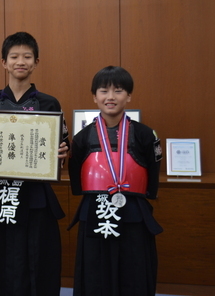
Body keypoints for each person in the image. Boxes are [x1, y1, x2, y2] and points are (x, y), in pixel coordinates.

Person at [0, 32, 69, 296]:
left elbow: (62, 144)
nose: (20, 61)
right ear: (4, 62)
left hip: (34, 196)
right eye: (14, 56)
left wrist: (62, 151)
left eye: (27, 56)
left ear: (36, 62)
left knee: (35, 260)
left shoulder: (49, 104)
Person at [68, 65, 163, 296]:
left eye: (118, 91)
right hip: (95, 210)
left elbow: (153, 173)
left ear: (129, 96)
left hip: (133, 212)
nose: (110, 97)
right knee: (94, 270)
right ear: (94, 96)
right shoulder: (81, 137)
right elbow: (75, 177)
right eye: (103, 91)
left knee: (134, 270)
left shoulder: (145, 135)